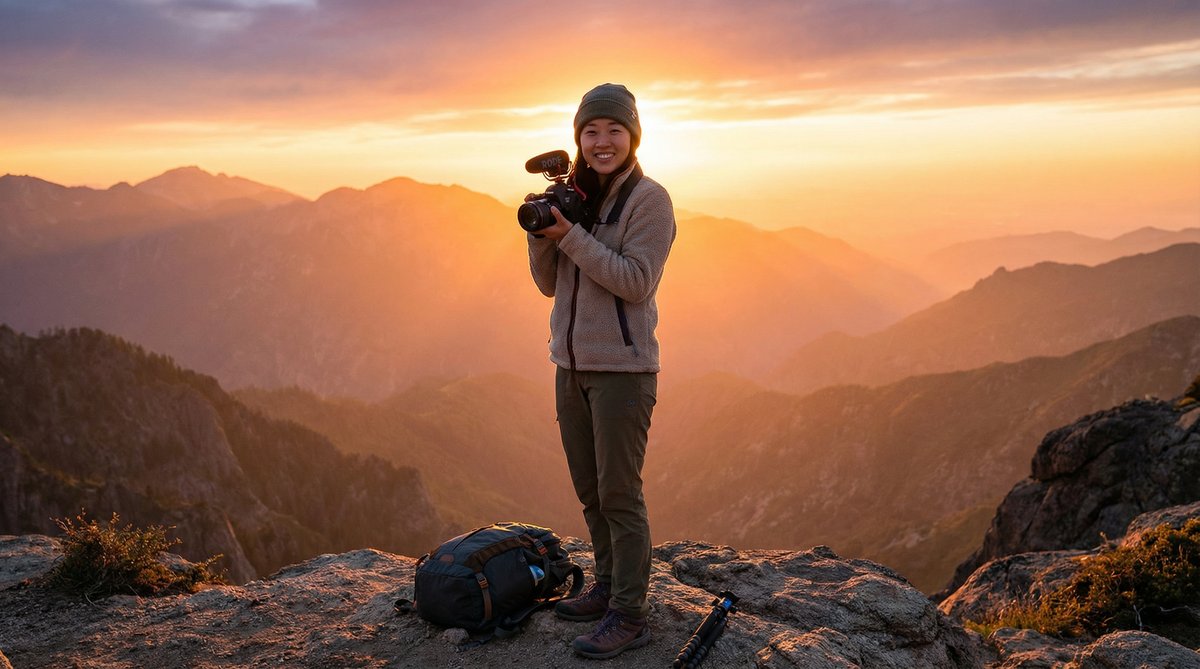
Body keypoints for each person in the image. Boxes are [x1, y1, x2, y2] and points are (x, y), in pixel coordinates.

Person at [526, 83, 676, 659]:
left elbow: (636, 282)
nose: (602, 141)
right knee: (590, 492)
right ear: (579, 139)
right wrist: (546, 234)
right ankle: (609, 588)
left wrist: (574, 235)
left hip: (623, 371)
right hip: (569, 366)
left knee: (619, 494)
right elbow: (548, 284)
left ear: (632, 136)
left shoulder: (649, 201)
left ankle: (631, 614)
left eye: (614, 130)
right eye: (591, 131)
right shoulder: (575, 197)